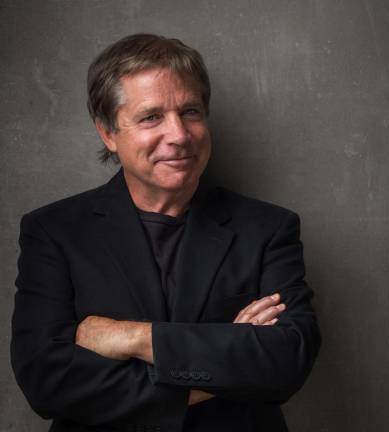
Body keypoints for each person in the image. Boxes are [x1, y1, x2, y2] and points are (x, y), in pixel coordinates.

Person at [11, 33, 321, 432]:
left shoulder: (268, 229)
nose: (179, 135)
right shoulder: (53, 231)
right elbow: (46, 381)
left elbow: (287, 361)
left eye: (190, 111)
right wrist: (228, 353)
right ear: (108, 133)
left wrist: (136, 338)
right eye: (151, 117)